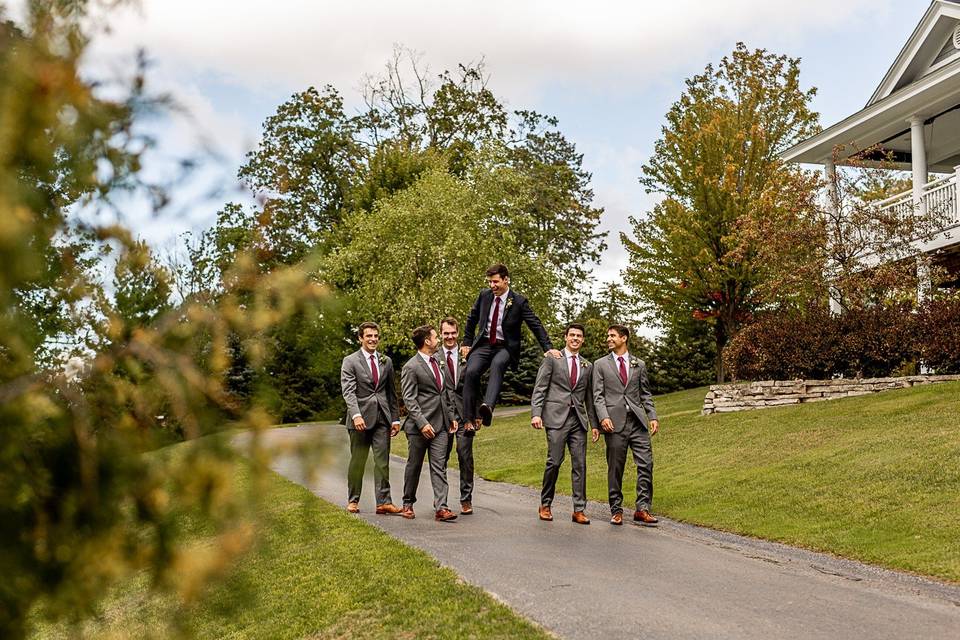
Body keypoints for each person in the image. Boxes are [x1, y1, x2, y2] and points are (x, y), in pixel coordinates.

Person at [461, 264, 561, 427]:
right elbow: (472, 319)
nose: (492, 286)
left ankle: (488, 407)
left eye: (495, 282)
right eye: (489, 282)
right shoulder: (484, 296)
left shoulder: (519, 301)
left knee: (498, 364)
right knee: (471, 371)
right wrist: (467, 342)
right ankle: (468, 419)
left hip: (505, 346)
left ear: (506, 280)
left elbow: (534, 324)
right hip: (484, 344)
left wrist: (548, 347)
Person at [591, 324, 660, 526]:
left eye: (612, 336)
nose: (609, 339)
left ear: (624, 338)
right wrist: (603, 417)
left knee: (646, 464)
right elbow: (597, 396)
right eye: (608, 336)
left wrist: (652, 416)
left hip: (637, 422)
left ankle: (642, 509)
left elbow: (645, 393)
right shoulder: (600, 364)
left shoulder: (639, 364)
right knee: (615, 468)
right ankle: (616, 510)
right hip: (613, 423)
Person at [530, 322, 593, 525]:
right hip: (556, 418)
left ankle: (579, 509)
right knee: (554, 461)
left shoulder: (587, 365)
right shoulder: (552, 359)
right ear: (566, 337)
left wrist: (596, 424)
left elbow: (589, 398)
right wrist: (536, 414)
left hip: (578, 420)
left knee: (580, 465)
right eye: (572, 335)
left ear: (583, 340)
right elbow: (540, 388)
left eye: (579, 336)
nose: (575, 338)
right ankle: (545, 503)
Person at [340, 322, 403, 515]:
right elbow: (348, 392)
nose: (373, 339)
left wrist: (395, 419)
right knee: (358, 461)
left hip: (383, 418)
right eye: (369, 336)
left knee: (382, 461)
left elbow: (391, 393)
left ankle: (384, 502)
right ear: (360, 338)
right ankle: (353, 500)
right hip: (359, 420)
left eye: (376, 336)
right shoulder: (350, 361)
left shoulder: (386, 361)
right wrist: (356, 415)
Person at [400, 324, 459, 522]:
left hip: (441, 425)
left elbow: (445, 394)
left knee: (439, 465)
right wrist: (422, 423)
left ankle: (441, 507)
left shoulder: (439, 362)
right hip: (419, 427)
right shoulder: (411, 366)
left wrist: (451, 418)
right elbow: (409, 399)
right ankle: (407, 503)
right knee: (414, 465)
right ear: (427, 341)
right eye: (435, 337)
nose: (438, 340)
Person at [439, 316, 475, 515]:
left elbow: (476, 385)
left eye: (453, 333)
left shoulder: (468, 355)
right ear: (441, 333)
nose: (450, 337)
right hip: (442, 416)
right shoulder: (434, 356)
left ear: (458, 333)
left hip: (464, 415)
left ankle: (466, 499)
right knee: (440, 459)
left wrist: (476, 414)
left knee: (465, 457)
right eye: (446, 333)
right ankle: (441, 502)